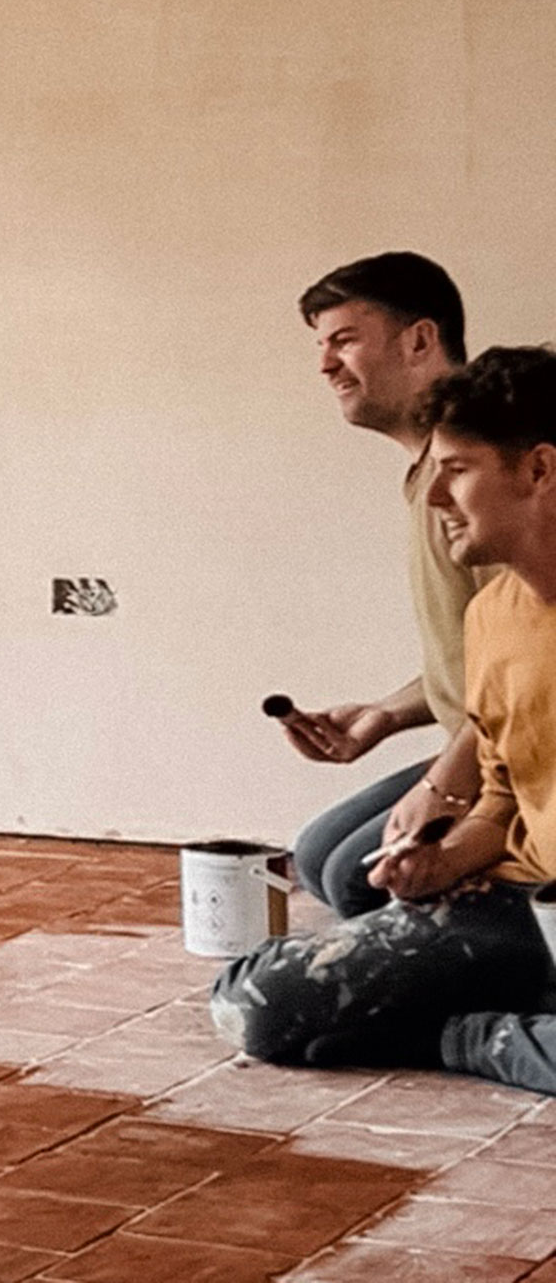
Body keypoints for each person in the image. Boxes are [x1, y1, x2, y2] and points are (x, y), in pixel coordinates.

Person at [211, 347, 556, 1091]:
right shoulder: (494, 616)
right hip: (523, 906)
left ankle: (484, 1036)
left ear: (539, 470)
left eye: (457, 470)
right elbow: (503, 798)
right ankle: (509, 1021)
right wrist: (444, 861)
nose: (436, 499)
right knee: (253, 1002)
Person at [285, 253, 487, 917]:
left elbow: (537, 660)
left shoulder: (482, 473)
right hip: (477, 744)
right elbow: (474, 657)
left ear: (420, 339)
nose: (325, 365)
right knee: (316, 855)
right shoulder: (429, 470)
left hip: (519, 759)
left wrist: (447, 787)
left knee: (354, 878)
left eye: (344, 340)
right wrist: (387, 714)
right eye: (321, 346)